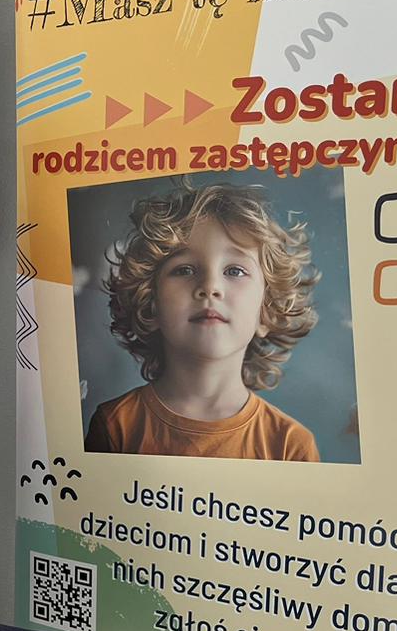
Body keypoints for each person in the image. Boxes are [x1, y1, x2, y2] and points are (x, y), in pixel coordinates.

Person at [85, 184, 320, 461]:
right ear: (151, 304)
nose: (210, 286)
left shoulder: (290, 445)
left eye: (235, 270)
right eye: (184, 269)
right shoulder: (115, 426)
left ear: (266, 311)